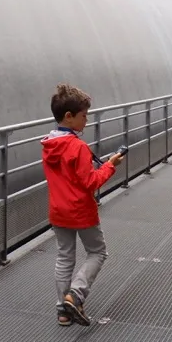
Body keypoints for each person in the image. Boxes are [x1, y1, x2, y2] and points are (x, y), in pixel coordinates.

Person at [41, 83, 126, 327]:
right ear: (69, 116)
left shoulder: (48, 145)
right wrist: (110, 165)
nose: (86, 121)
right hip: (80, 210)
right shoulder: (77, 146)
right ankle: (75, 295)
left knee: (65, 257)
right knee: (98, 252)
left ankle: (63, 311)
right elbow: (90, 182)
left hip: (58, 210)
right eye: (83, 116)